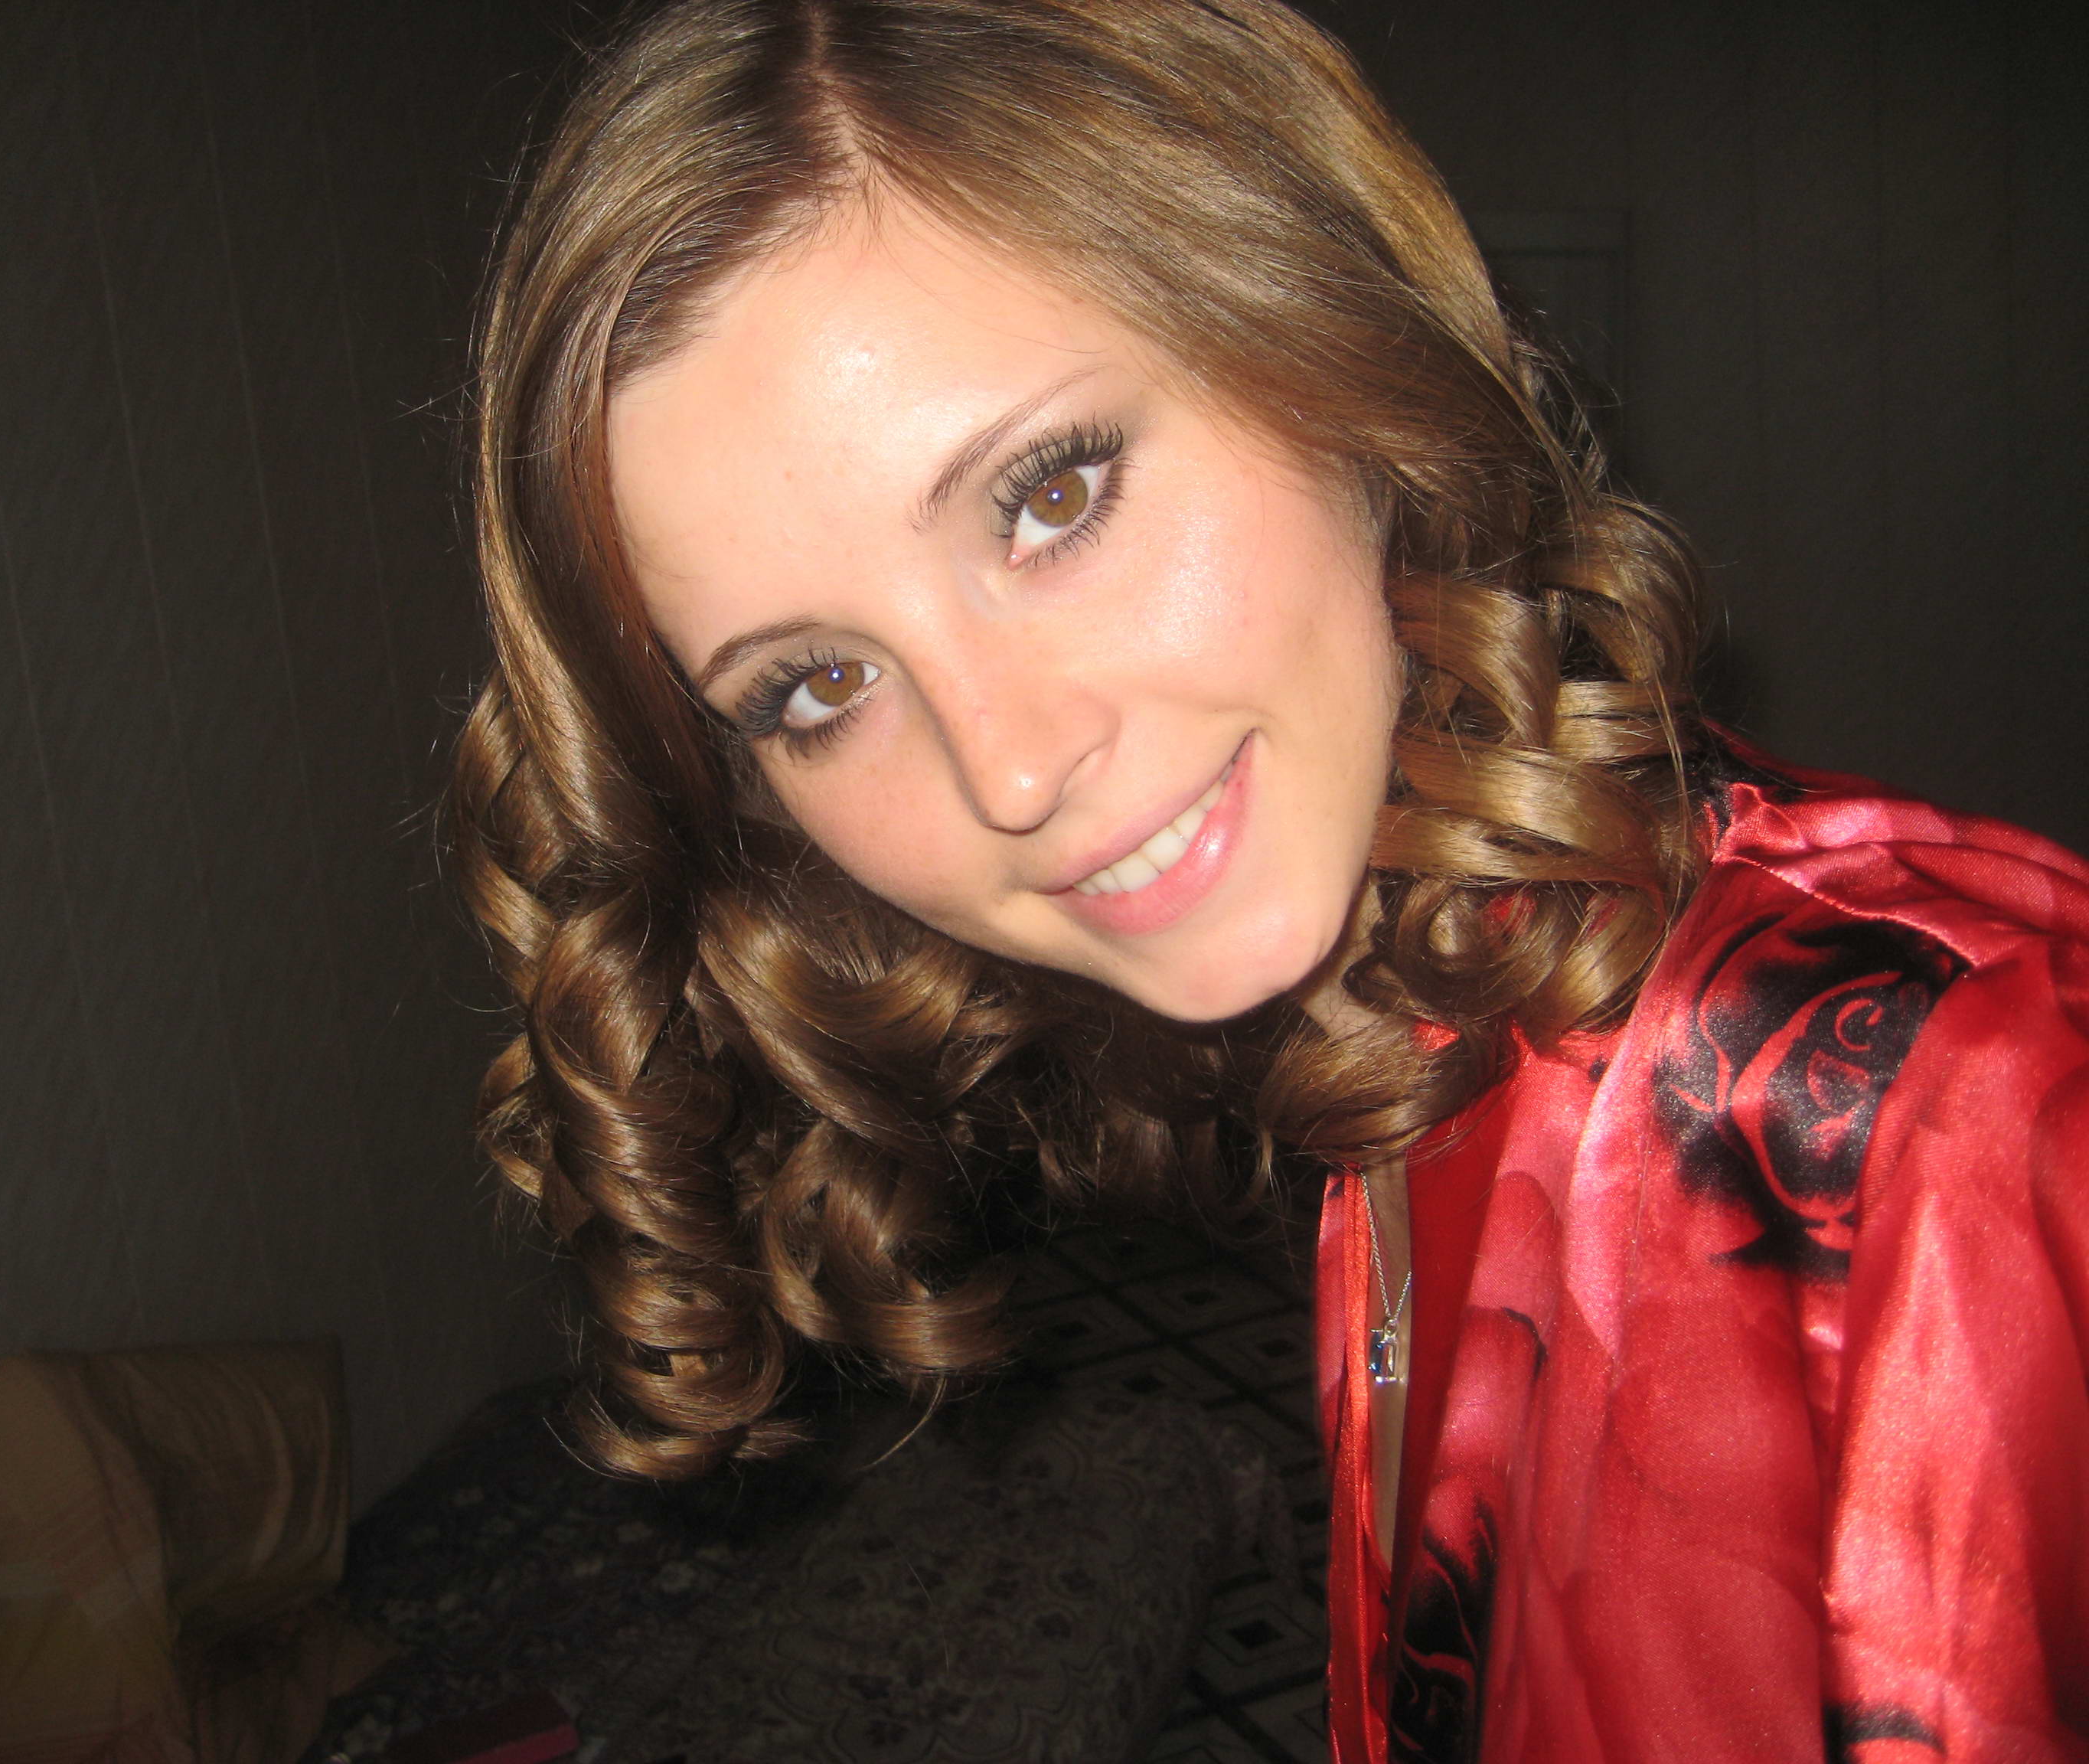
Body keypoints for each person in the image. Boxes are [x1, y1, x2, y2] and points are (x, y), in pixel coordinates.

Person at [446, 1, 2089, 1757]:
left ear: (1336, 350)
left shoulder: (1934, 1122)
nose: (1010, 772)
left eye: (1053, 497)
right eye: (817, 685)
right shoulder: (1412, 1011)